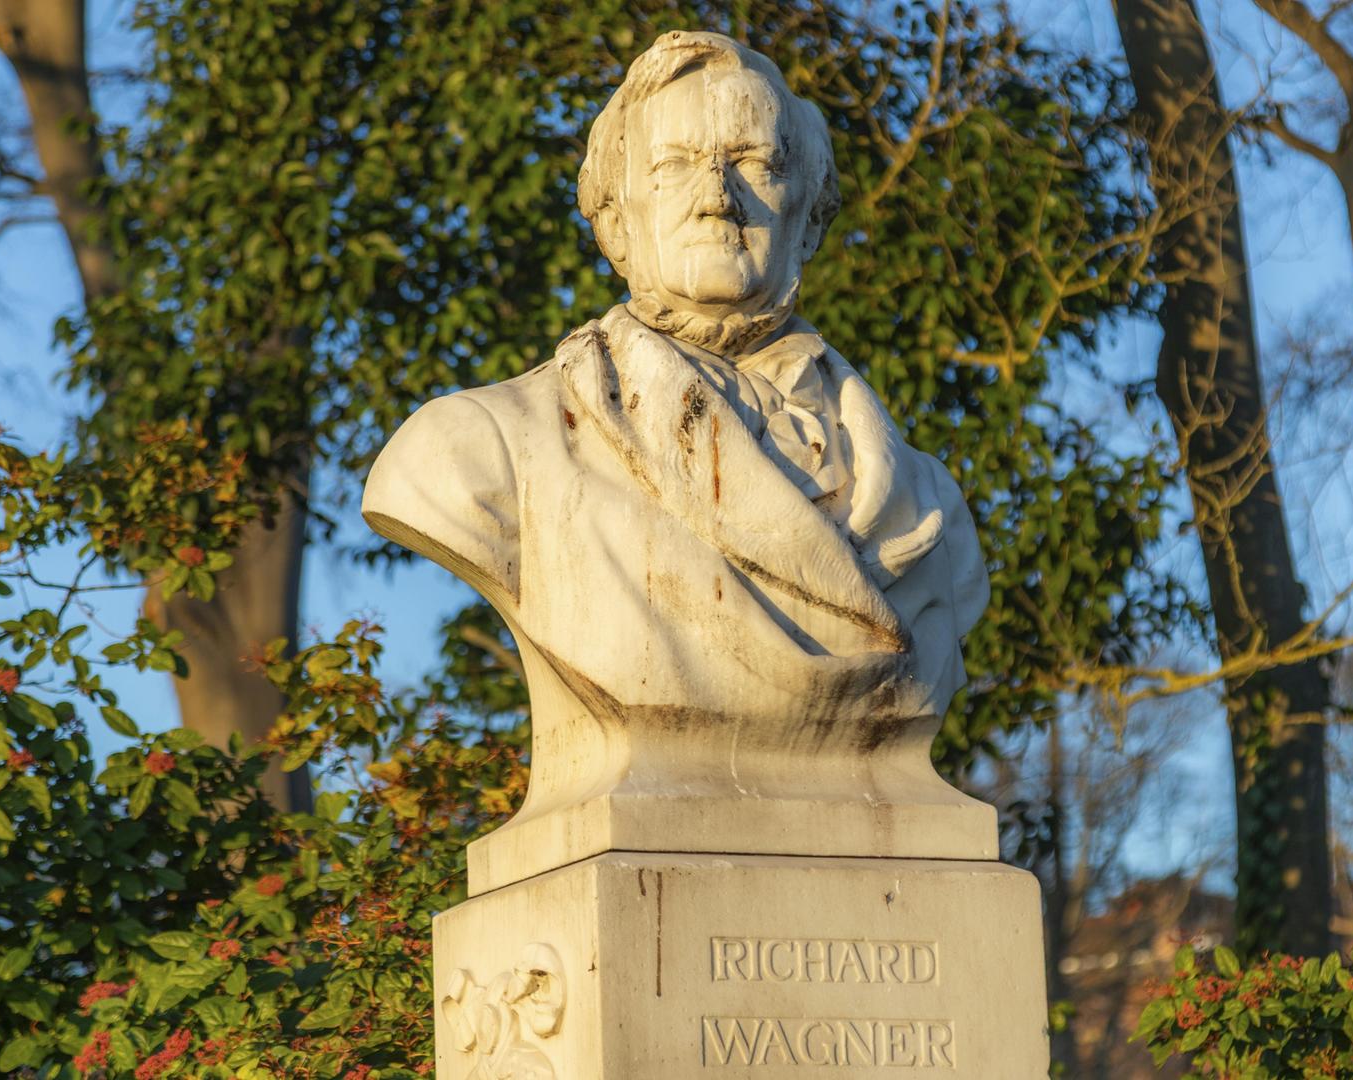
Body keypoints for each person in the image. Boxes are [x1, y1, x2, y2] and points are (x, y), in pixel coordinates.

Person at [363, 31, 994, 893]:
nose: (718, 198)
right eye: (675, 166)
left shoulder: (930, 506)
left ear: (809, 214)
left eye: (755, 163)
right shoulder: (483, 450)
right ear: (615, 218)